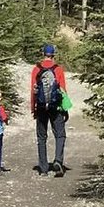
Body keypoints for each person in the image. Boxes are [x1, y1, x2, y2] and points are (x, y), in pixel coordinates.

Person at [30, 43, 68, 176]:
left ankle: (44, 168)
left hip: (40, 106)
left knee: (41, 137)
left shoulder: (36, 69)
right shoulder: (58, 69)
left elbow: (33, 91)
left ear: (43, 54)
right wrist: (65, 109)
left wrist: (33, 109)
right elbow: (62, 90)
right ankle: (58, 160)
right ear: (53, 54)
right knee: (60, 134)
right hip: (55, 106)